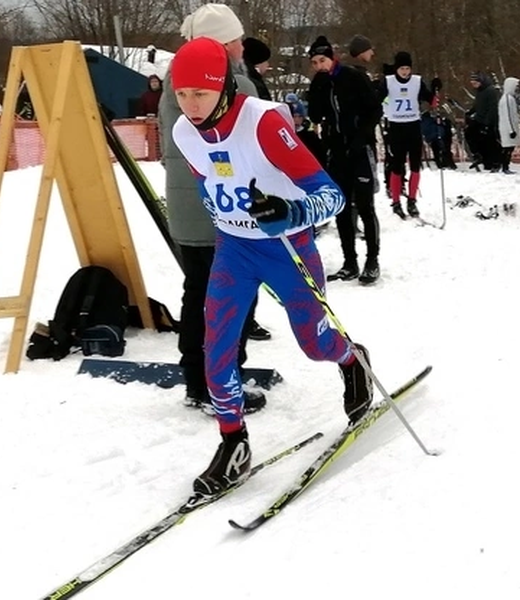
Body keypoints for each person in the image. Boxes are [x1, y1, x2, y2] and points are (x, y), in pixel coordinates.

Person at [169, 37, 374, 495]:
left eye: (199, 94)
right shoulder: (184, 131)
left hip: (287, 248)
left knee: (313, 343)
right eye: (182, 95)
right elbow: (215, 177)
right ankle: (233, 442)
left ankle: (351, 358)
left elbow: (332, 196)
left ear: (223, 86)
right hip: (234, 249)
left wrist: (291, 212)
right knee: (215, 348)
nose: (191, 106)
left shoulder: (261, 123)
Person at [160, 2, 268, 415]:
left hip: (194, 209)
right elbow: (250, 114)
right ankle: (220, 383)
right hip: (219, 211)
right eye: (237, 41)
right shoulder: (217, 81)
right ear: (224, 44)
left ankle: (200, 379)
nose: (243, 47)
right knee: (229, 298)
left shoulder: (178, 76)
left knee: (200, 294)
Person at [307, 35, 383, 285]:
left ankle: (372, 260)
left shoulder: (352, 76)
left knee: (364, 205)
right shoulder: (320, 83)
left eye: (322, 60)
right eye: (315, 62)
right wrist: (316, 88)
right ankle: (349, 261)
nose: (319, 66)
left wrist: (362, 137)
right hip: (336, 151)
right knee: (341, 207)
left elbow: (375, 109)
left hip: (359, 149)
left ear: (332, 58)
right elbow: (315, 115)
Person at [380, 50, 433, 218]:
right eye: (401, 68)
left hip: (413, 127)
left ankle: (412, 200)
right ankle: (395, 201)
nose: (405, 72)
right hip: (396, 127)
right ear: (396, 68)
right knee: (397, 166)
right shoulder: (388, 82)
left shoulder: (417, 81)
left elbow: (431, 100)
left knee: (416, 166)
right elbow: (375, 98)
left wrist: (435, 89)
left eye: (407, 68)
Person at [497, 76, 520, 174]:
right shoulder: (507, 99)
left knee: (509, 148)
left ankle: (505, 166)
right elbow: (508, 115)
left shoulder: (509, 98)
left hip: (508, 127)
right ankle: (504, 166)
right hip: (508, 128)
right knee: (507, 148)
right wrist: (511, 130)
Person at [242, 36, 272, 101]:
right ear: (258, 62)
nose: (268, 65)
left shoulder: (246, 76)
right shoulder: (255, 83)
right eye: (266, 61)